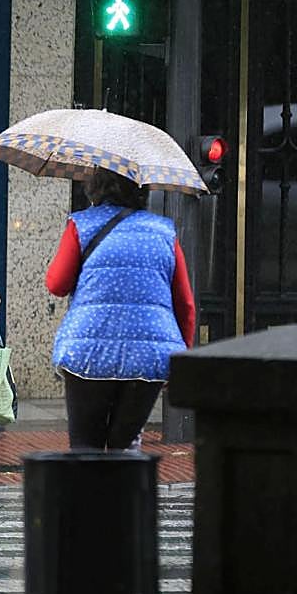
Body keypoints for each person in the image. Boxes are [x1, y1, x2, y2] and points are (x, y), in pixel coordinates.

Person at [45, 168, 195, 450]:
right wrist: (179, 355)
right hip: (148, 357)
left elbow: (57, 284)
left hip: (88, 354)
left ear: (95, 187)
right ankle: (121, 491)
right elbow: (184, 303)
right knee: (124, 446)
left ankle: (89, 493)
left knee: (85, 446)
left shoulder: (82, 225)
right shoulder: (164, 231)